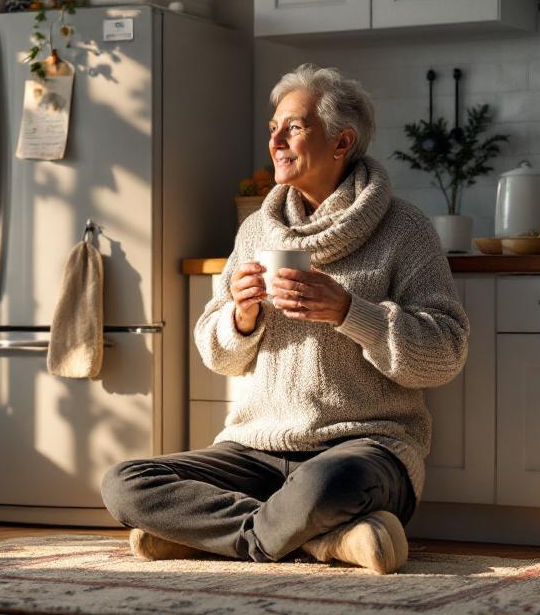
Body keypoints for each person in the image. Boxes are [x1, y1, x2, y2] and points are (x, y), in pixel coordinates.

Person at [101, 64, 469, 574]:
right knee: (126, 483)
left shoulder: (405, 229)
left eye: (293, 127)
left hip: (363, 448)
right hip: (256, 449)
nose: (275, 140)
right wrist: (241, 316)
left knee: (323, 486)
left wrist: (348, 311)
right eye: (273, 128)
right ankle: (325, 541)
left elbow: (445, 354)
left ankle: (210, 534)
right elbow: (216, 352)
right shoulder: (256, 230)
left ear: (342, 142)